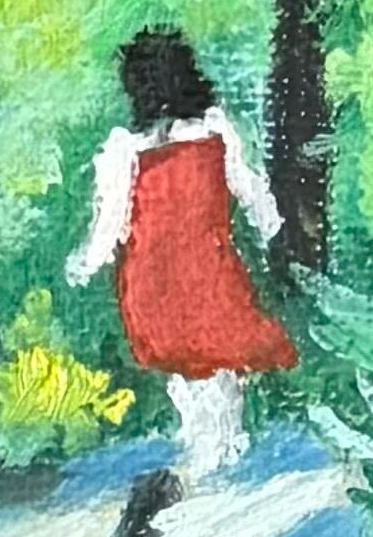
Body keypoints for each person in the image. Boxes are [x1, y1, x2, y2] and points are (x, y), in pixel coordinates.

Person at [66, 27, 298, 490]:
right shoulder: (216, 131)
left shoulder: (123, 149)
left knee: (184, 361)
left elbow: (109, 224)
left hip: (150, 282)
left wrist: (85, 264)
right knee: (219, 357)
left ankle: (205, 445)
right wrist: (273, 226)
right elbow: (249, 188)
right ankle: (222, 446)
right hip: (206, 271)